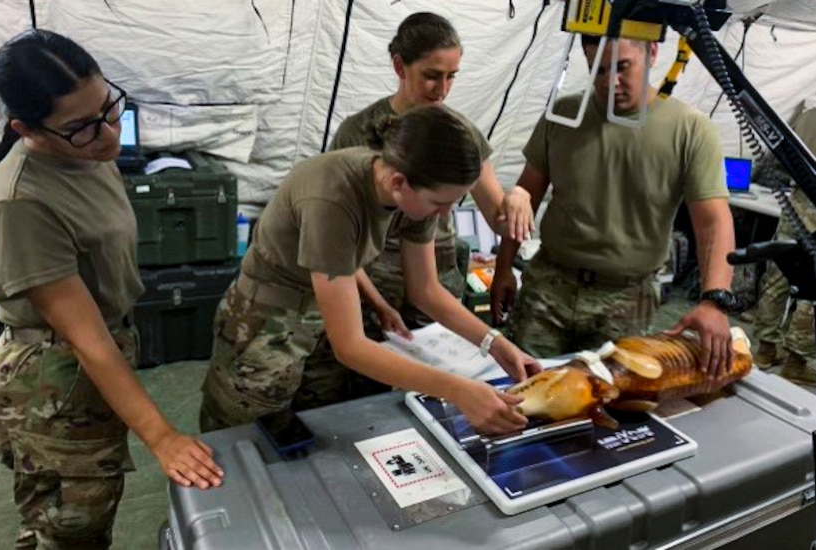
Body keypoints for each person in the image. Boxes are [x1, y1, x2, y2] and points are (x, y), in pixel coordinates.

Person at [0, 30, 223, 549]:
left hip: (98, 349)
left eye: (109, 107)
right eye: (81, 126)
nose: (108, 132)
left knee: (88, 505)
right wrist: (161, 437)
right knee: (71, 525)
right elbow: (85, 338)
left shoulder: (88, 151)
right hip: (55, 375)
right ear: (26, 129)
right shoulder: (20, 203)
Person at [200, 106, 541, 436]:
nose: (444, 214)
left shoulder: (412, 191)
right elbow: (349, 345)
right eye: (439, 203)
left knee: (313, 422)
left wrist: (494, 343)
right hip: (264, 322)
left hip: (321, 311)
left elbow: (425, 290)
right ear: (398, 183)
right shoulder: (331, 197)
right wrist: (460, 390)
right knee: (247, 435)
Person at [491, 35, 736, 378]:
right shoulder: (563, 116)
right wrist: (504, 268)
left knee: (612, 401)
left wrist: (715, 301)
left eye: (622, 67)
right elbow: (524, 196)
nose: (609, 82)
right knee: (526, 387)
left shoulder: (690, 129)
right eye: (598, 70)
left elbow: (713, 222)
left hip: (627, 299)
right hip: (548, 287)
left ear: (652, 53)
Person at [330, 12, 534, 332]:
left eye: (452, 76)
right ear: (400, 67)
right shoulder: (357, 133)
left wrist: (519, 196)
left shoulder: (460, 134)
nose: (442, 89)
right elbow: (335, 236)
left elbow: (499, 217)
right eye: (432, 75)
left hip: (435, 282)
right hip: (370, 285)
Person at [752, 107, 816, 384]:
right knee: (812, 288)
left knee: (778, 275)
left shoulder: (809, 112)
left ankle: (765, 350)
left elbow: (781, 159)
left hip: (798, 200)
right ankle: (796, 361)